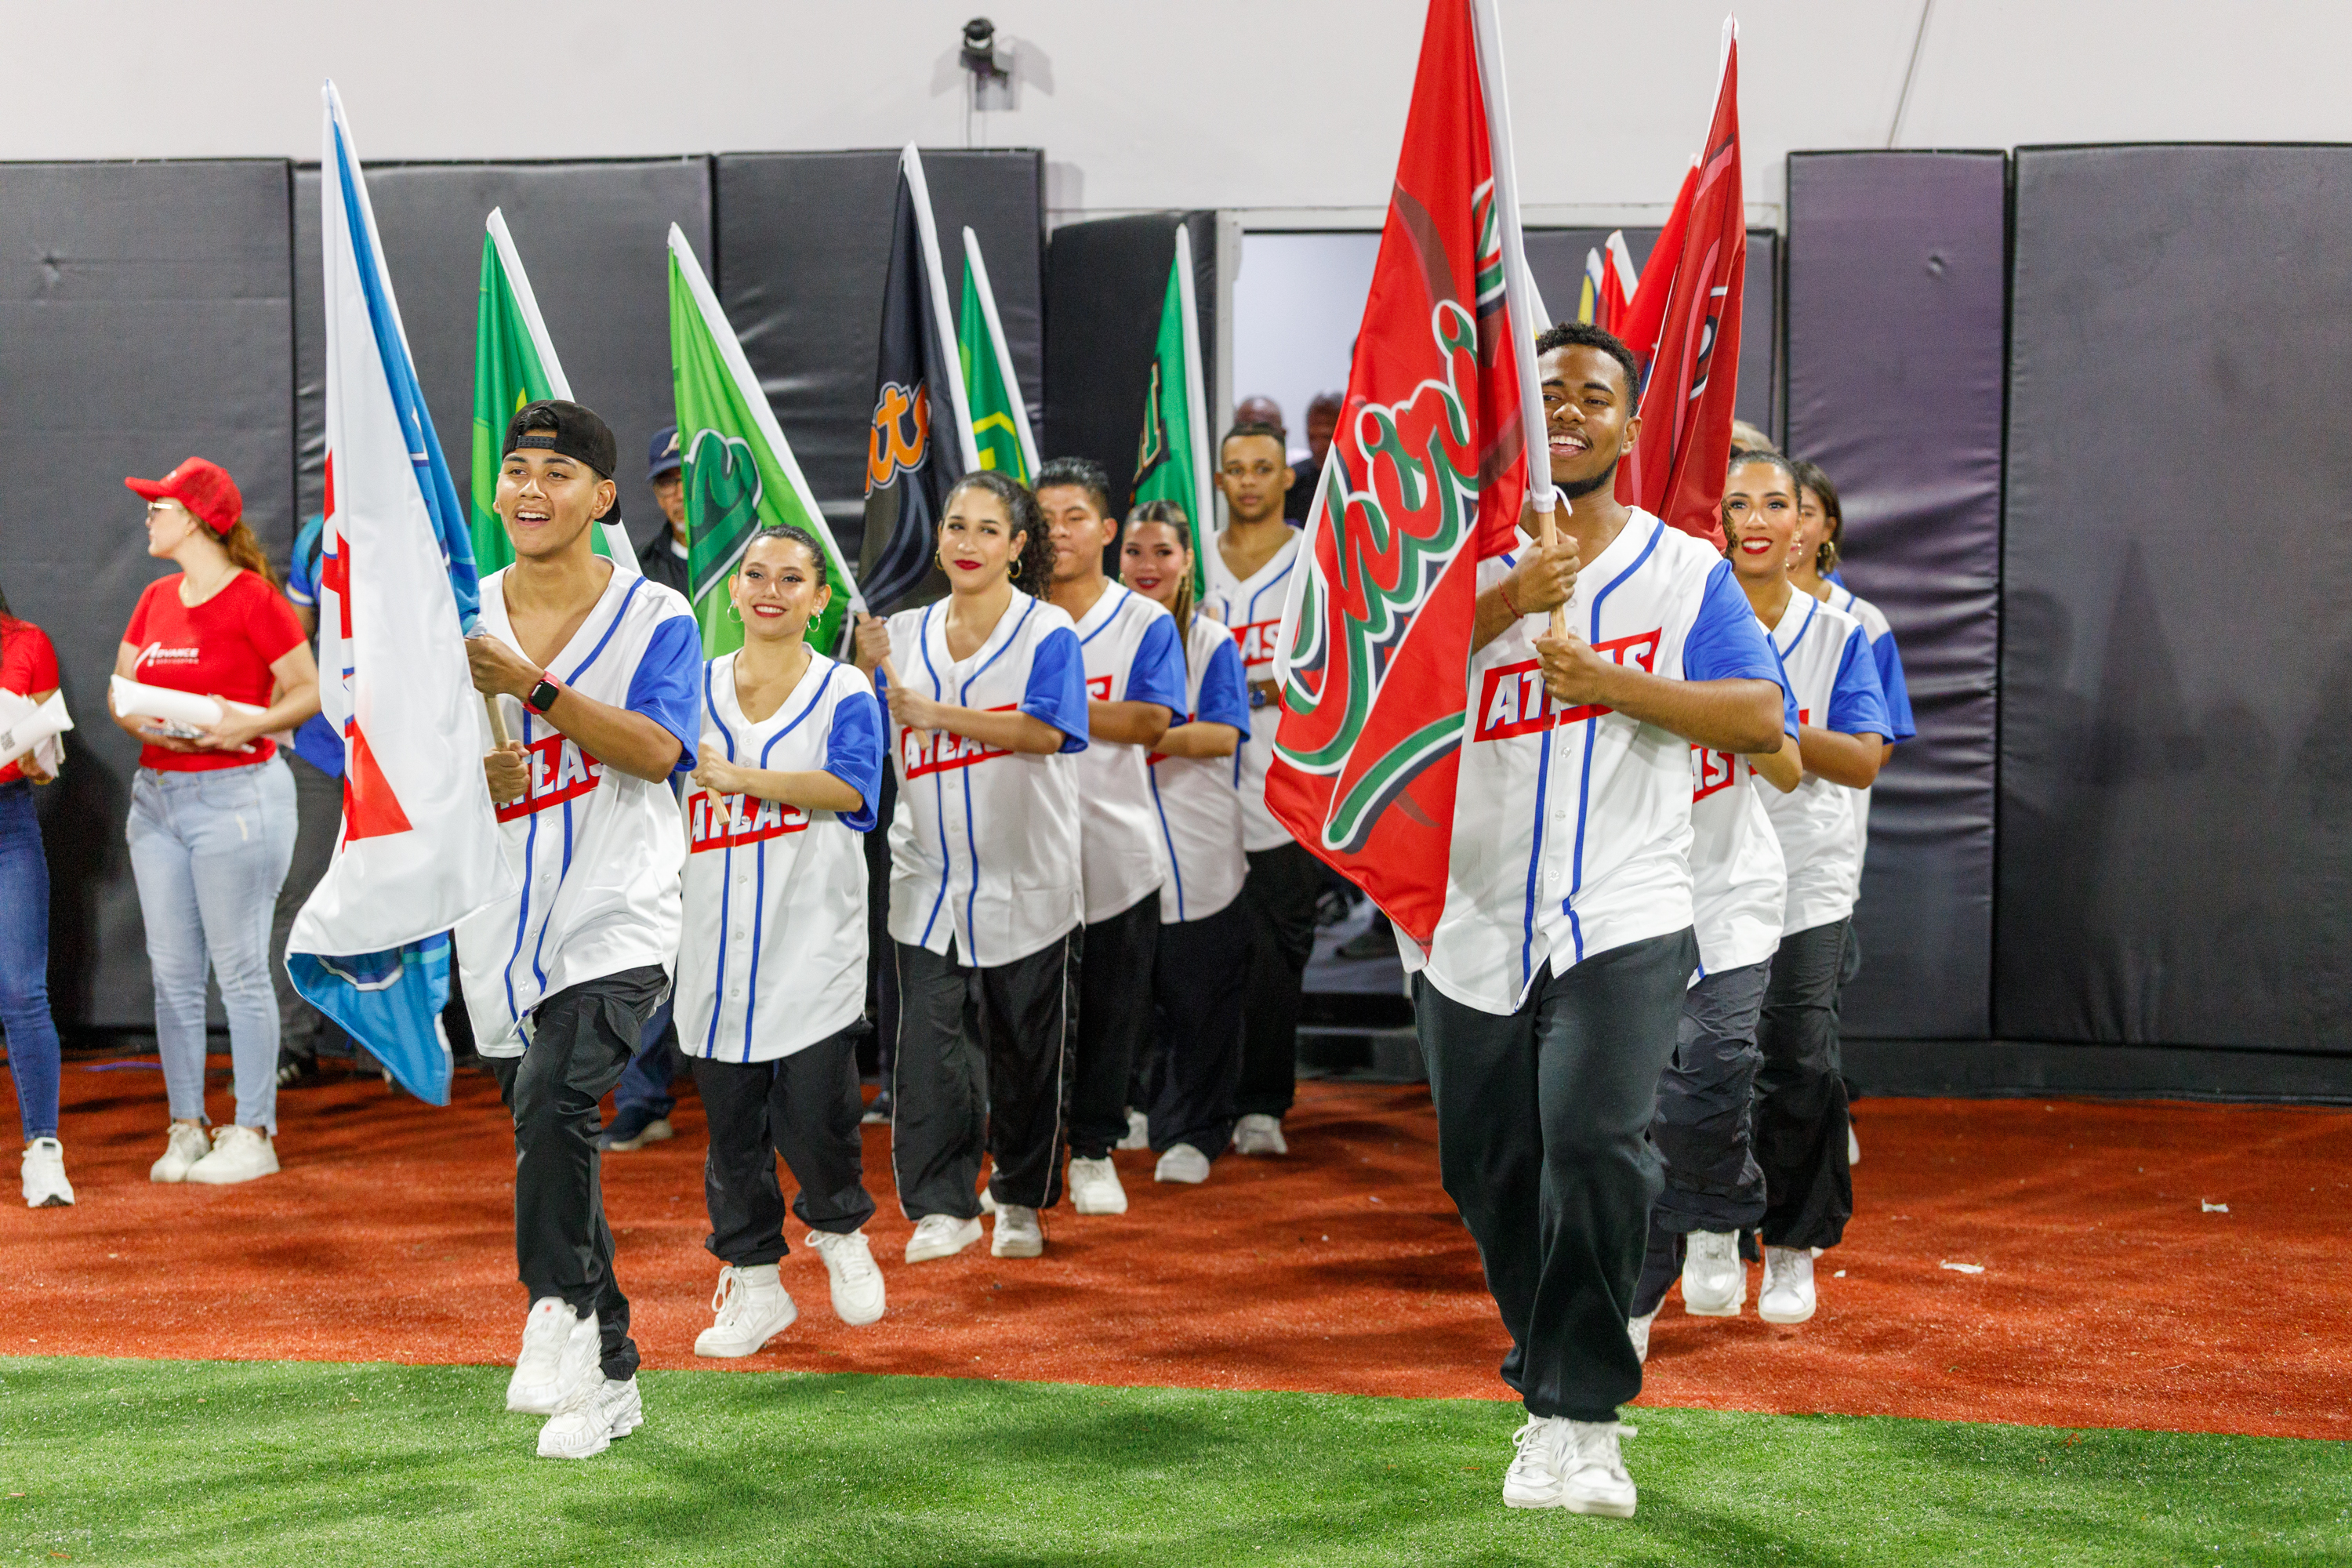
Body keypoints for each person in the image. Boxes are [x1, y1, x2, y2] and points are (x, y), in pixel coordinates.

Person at [1406, 323, 1787, 1519]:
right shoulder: (1446, 567)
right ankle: (1547, 1386)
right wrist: (1509, 598)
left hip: (1623, 908)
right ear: (1518, 422)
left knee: (1595, 1146)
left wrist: (1617, 684)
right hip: (1463, 919)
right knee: (1490, 1168)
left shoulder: (1682, 571)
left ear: (1629, 427)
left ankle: (1583, 1415)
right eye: (1548, 395)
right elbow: (1371, 695)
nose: (1569, 411)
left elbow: (1759, 716)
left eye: (1594, 397)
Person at [457, 400, 700, 1461]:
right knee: (544, 1126)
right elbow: (396, 755)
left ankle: (553, 1305)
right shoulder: (465, 611)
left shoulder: (659, 617)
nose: (529, 489)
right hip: (503, 912)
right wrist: (477, 771)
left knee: (559, 1094)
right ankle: (611, 1371)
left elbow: (656, 750)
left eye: (556, 473)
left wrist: (537, 689)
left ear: (603, 500)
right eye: (516, 470)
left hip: (619, 904)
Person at [853, 471, 1087, 1265]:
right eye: (957, 525)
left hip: (1027, 871)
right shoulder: (901, 631)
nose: (968, 542)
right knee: (930, 1048)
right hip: (926, 871)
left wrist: (937, 714)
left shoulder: (1048, 630)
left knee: (1027, 1048)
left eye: (989, 529)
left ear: (1020, 547)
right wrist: (862, 670)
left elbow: (1049, 731)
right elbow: (860, 724)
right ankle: (942, 1203)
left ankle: (1019, 1196)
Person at [675, 526, 890, 1356]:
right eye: (756, 574)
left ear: (818, 597)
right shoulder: (688, 687)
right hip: (711, 944)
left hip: (811, 939)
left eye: (792, 577)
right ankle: (755, 1280)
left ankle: (840, 1228)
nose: (771, 588)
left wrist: (742, 778)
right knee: (731, 1126)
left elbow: (850, 786)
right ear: (733, 591)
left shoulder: (844, 692)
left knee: (817, 1112)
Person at [1625, 463, 1807, 1359]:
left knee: (1714, 1069)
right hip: (1623, 889)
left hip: (1728, 887)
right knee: (1628, 1104)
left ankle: (1720, 1212)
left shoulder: (1722, 624)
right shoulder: (1587, 628)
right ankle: (1638, 1281)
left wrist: (1702, 711)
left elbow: (1787, 761)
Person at [111, 457, 318, 1187]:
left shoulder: (254, 600)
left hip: (238, 797)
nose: (148, 515)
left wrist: (247, 725)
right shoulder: (156, 597)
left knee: (238, 972)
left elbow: (307, 691)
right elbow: (122, 689)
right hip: (158, 798)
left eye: (158, 505)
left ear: (196, 518)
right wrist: (146, 722)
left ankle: (254, 1131)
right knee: (172, 977)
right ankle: (187, 1125)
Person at [1725, 452, 1892, 1328]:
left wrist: (1767, 723)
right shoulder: (1687, 618)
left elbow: (1865, 756)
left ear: (1809, 524)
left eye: (1776, 502)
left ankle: (1792, 1245)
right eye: (1738, 502)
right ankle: (1708, 1226)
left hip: (1808, 876)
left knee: (1798, 1057)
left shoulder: (1846, 633)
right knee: (1701, 1061)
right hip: (1703, 867)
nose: (1757, 517)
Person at [1035, 457, 1186, 1217]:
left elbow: (1152, 720)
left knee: (1111, 1010)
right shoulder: (1008, 614)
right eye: (1047, 517)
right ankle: (1023, 1163)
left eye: (1075, 517)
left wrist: (1041, 713)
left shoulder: (1143, 620)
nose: (1059, 532)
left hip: (1117, 849)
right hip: (1022, 849)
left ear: (1108, 528)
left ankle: (1094, 1149)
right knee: (1022, 1018)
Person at [1787, 459, 1917, 1162]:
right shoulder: (1716, 606)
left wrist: (1767, 735)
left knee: (1811, 1007)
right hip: (1720, 849)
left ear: (1827, 524)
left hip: (1820, 848)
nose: (1787, 525)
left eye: (1803, 510)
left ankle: (1818, 1125)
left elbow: (1875, 751)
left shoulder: (1857, 624)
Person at [1118, 502, 1252, 1184]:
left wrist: (1131, 729)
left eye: (1162, 553)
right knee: (1133, 995)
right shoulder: (1099, 641)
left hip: (1201, 847)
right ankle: (1137, 1106)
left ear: (1187, 561)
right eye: (1135, 552)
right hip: (1118, 849)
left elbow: (1223, 734)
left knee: (1201, 999)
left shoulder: (1212, 643)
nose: (1148, 566)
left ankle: (1197, 1131)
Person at [1201, 420, 1312, 1157]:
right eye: (1235, 468)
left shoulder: (1316, 557)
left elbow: (1337, 658)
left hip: (1287, 778)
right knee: (1196, 947)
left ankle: (1263, 1103)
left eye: (1262, 468)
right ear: (1218, 479)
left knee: (1277, 950)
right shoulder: (1192, 560)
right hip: (1196, 779)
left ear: (1286, 478)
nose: (1248, 480)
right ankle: (1184, 1096)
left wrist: (1247, 687)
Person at [599, 424, 695, 1153]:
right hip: (664, 767)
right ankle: (642, 1095)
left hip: (753, 765)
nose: (677, 495)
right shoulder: (635, 575)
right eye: (665, 482)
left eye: (690, 479)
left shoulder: (761, 565)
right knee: (651, 933)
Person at [273, 512, 359, 1087]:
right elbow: (292, 638)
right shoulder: (314, 535)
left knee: (404, 891)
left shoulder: (421, 519)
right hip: (319, 748)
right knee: (296, 891)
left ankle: (393, 1049)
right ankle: (292, 1045)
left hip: (400, 749)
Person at [1, 590, 71, 1207]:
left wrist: (35, 752)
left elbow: (49, 762)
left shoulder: (27, 642)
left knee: (23, 992)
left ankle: (44, 1151)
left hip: (8, 826)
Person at [635, 425, 691, 598]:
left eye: (690, 477)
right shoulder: (639, 570)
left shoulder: (745, 559)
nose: (681, 495)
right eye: (668, 483)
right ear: (658, 495)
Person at [1284, 390, 1342, 524]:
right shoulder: (1293, 482)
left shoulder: (1369, 479)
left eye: (1327, 437)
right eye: (1312, 437)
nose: (1318, 447)